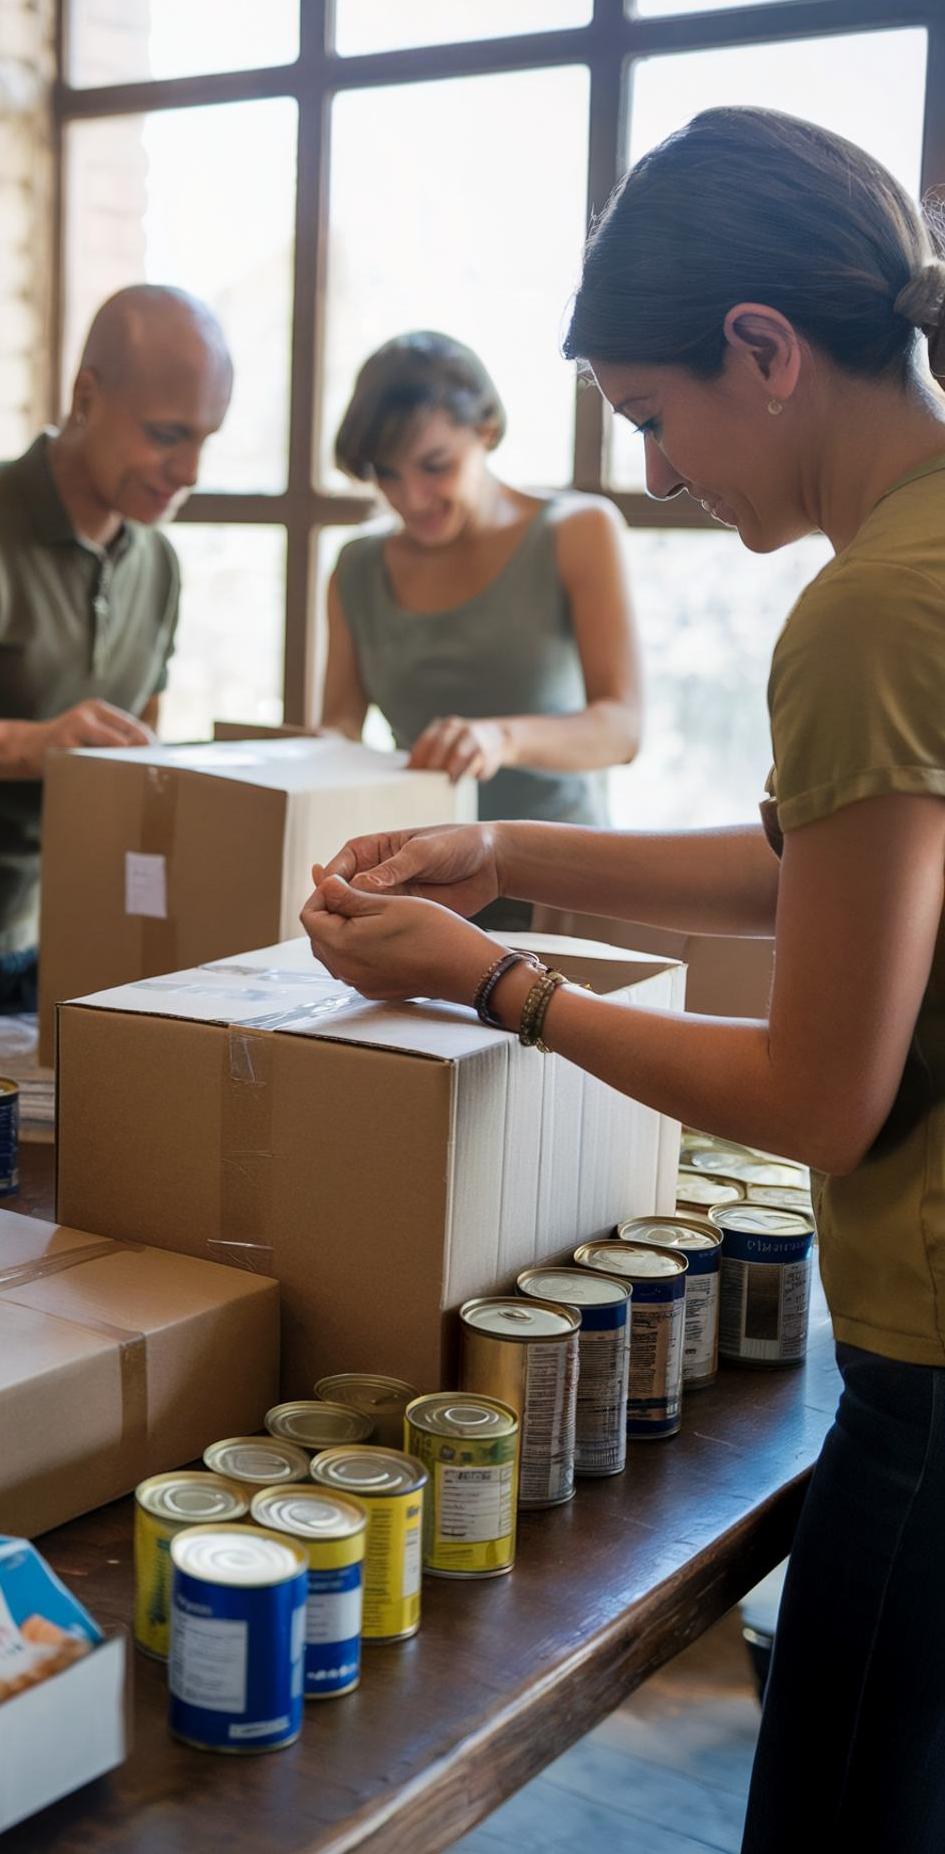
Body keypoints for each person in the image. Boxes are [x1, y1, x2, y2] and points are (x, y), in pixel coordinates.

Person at [301, 105, 945, 1851]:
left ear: (764, 349)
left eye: (658, 419)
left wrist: (492, 981)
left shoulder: (871, 607)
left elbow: (819, 1092)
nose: (657, 473)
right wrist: (503, 853)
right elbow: (808, 863)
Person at [0, 285, 232, 1020]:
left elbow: (139, 757)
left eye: (208, 438)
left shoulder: (161, 567)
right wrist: (34, 744)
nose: (192, 471)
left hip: (76, 939)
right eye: (168, 435)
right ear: (85, 396)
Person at [324, 333, 642, 867]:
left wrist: (502, 738)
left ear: (486, 431)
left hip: (562, 877)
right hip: (422, 876)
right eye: (387, 474)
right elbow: (338, 731)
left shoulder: (577, 531)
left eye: (434, 465)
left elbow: (623, 728)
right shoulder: (357, 567)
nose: (410, 498)